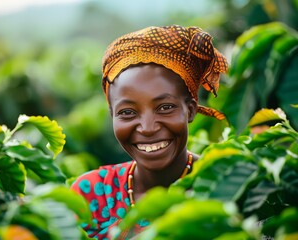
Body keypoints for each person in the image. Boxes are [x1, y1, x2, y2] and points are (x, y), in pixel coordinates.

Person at [71, 25, 228, 239]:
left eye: (165, 108)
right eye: (127, 112)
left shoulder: (225, 185)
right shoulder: (92, 196)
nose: (147, 127)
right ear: (112, 116)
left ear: (190, 110)